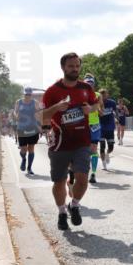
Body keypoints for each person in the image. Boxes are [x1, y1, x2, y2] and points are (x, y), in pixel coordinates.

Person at [40, 53, 99, 231]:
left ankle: (74, 204)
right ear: (63, 68)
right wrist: (57, 107)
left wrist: (90, 108)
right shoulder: (52, 91)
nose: (74, 69)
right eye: (71, 66)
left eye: (77, 66)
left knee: (82, 179)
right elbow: (42, 116)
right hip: (60, 143)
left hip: (82, 141)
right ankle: (61, 212)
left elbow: (96, 106)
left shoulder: (85, 88)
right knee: (59, 181)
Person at [13, 87, 42, 176]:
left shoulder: (35, 103)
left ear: (31, 95)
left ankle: (29, 168)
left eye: (29, 94)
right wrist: (16, 115)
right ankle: (23, 159)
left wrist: (40, 126)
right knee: (23, 149)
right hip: (21, 128)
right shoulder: (19, 102)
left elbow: (39, 114)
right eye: (26, 94)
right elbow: (15, 112)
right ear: (24, 94)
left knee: (31, 148)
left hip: (33, 128)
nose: (27, 96)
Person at [82, 75, 103, 185]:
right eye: (87, 84)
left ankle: (93, 174)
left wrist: (99, 110)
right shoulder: (80, 95)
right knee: (83, 150)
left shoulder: (98, 95)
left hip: (94, 124)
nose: (89, 86)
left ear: (94, 85)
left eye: (91, 84)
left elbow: (101, 110)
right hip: (83, 125)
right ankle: (82, 172)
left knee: (94, 149)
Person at [97, 88, 118, 170]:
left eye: (105, 95)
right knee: (102, 146)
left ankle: (107, 154)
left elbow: (115, 111)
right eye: (102, 95)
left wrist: (117, 118)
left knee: (111, 147)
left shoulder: (112, 102)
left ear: (107, 95)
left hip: (110, 127)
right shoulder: (97, 103)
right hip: (100, 127)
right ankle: (103, 164)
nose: (104, 97)